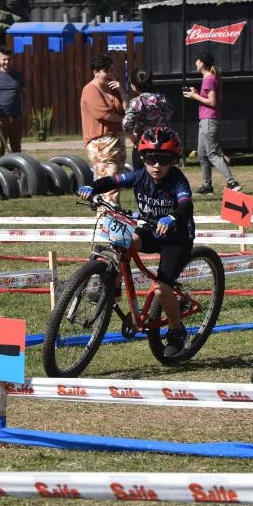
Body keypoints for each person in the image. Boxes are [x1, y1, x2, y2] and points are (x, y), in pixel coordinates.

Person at [77, 127, 195, 358]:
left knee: (162, 290)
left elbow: (186, 204)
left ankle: (177, 330)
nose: (157, 166)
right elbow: (113, 180)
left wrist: (172, 217)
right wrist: (93, 187)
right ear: (143, 159)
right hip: (151, 230)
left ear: (174, 160)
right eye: (151, 159)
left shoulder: (177, 180)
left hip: (176, 238)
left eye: (164, 160)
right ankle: (113, 287)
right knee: (124, 243)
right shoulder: (140, 175)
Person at [183, 52, 241, 195]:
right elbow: (208, 98)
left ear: (202, 63)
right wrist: (198, 93)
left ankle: (232, 183)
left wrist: (194, 96)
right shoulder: (209, 78)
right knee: (202, 155)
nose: (195, 63)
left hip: (209, 121)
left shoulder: (209, 79)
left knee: (213, 154)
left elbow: (212, 102)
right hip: (205, 120)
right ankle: (207, 186)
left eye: (197, 61)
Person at [80, 53, 127, 204]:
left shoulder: (113, 88)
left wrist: (123, 93)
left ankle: (109, 219)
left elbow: (126, 109)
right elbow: (106, 115)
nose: (110, 74)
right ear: (95, 72)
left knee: (115, 183)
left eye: (112, 70)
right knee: (109, 186)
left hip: (116, 140)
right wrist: (124, 119)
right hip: (101, 142)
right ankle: (107, 222)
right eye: (106, 70)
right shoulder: (90, 90)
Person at [123, 68, 173, 169]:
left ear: (133, 86)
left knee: (141, 180)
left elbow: (126, 125)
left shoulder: (138, 101)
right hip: (163, 145)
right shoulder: (162, 98)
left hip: (144, 147)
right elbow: (169, 114)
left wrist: (134, 140)